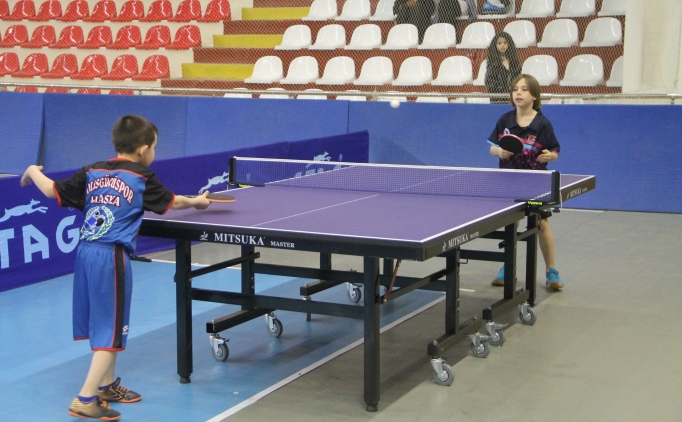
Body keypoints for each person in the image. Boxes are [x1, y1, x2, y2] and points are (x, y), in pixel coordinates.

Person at [20, 115, 211, 420]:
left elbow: (50, 191)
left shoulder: (93, 170)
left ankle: (107, 386)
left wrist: (32, 170)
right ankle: (85, 399)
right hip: (111, 257)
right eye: (154, 147)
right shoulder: (141, 176)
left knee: (103, 322)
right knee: (111, 331)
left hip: (85, 253)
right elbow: (172, 203)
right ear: (143, 149)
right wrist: (197, 202)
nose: (153, 153)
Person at [487, 74, 563, 290]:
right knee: (511, 223)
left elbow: (554, 151)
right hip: (509, 180)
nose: (518, 93)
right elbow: (492, 147)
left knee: (541, 223)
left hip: (535, 181)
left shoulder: (542, 124)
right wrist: (499, 151)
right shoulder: (505, 120)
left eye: (524, 89)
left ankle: (551, 271)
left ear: (535, 96)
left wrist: (549, 156)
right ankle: (507, 267)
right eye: (515, 89)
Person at [484, 31, 522, 103]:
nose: (502, 45)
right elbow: (489, 82)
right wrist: (502, 92)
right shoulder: (493, 63)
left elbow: (518, 79)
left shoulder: (514, 62)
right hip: (498, 99)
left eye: (505, 43)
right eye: (499, 43)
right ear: (495, 45)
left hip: (513, 98)